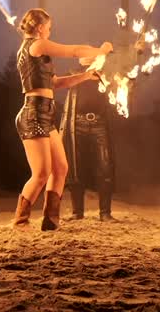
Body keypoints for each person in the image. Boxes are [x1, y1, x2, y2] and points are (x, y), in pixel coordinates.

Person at [11, 8, 112, 230]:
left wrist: (86, 76)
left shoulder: (38, 53)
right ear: (39, 27)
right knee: (41, 173)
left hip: (45, 113)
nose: (50, 30)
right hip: (33, 113)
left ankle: (51, 220)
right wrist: (101, 50)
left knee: (61, 168)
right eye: (48, 26)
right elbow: (74, 50)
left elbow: (56, 84)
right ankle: (20, 221)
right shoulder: (37, 44)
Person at [60, 38, 142, 221]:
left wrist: (137, 52)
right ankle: (77, 213)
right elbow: (59, 83)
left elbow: (129, 76)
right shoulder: (75, 73)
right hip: (77, 125)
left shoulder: (107, 75)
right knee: (75, 167)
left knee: (105, 166)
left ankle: (105, 213)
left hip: (99, 124)